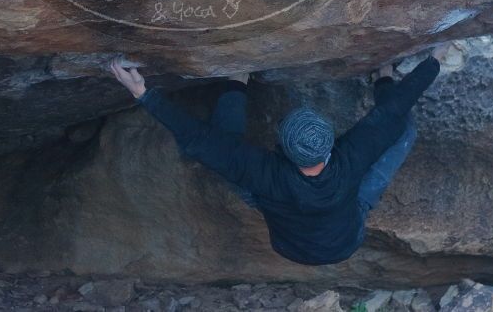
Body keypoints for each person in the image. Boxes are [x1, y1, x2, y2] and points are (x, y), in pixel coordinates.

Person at [109, 44, 449, 265]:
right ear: (331, 147)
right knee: (402, 131)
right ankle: (383, 76)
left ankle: (236, 79)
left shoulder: (265, 172)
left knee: (224, 148)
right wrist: (433, 60)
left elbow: (198, 140)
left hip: (285, 228)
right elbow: (390, 117)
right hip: (343, 233)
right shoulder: (351, 160)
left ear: (282, 149)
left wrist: (142, 92)